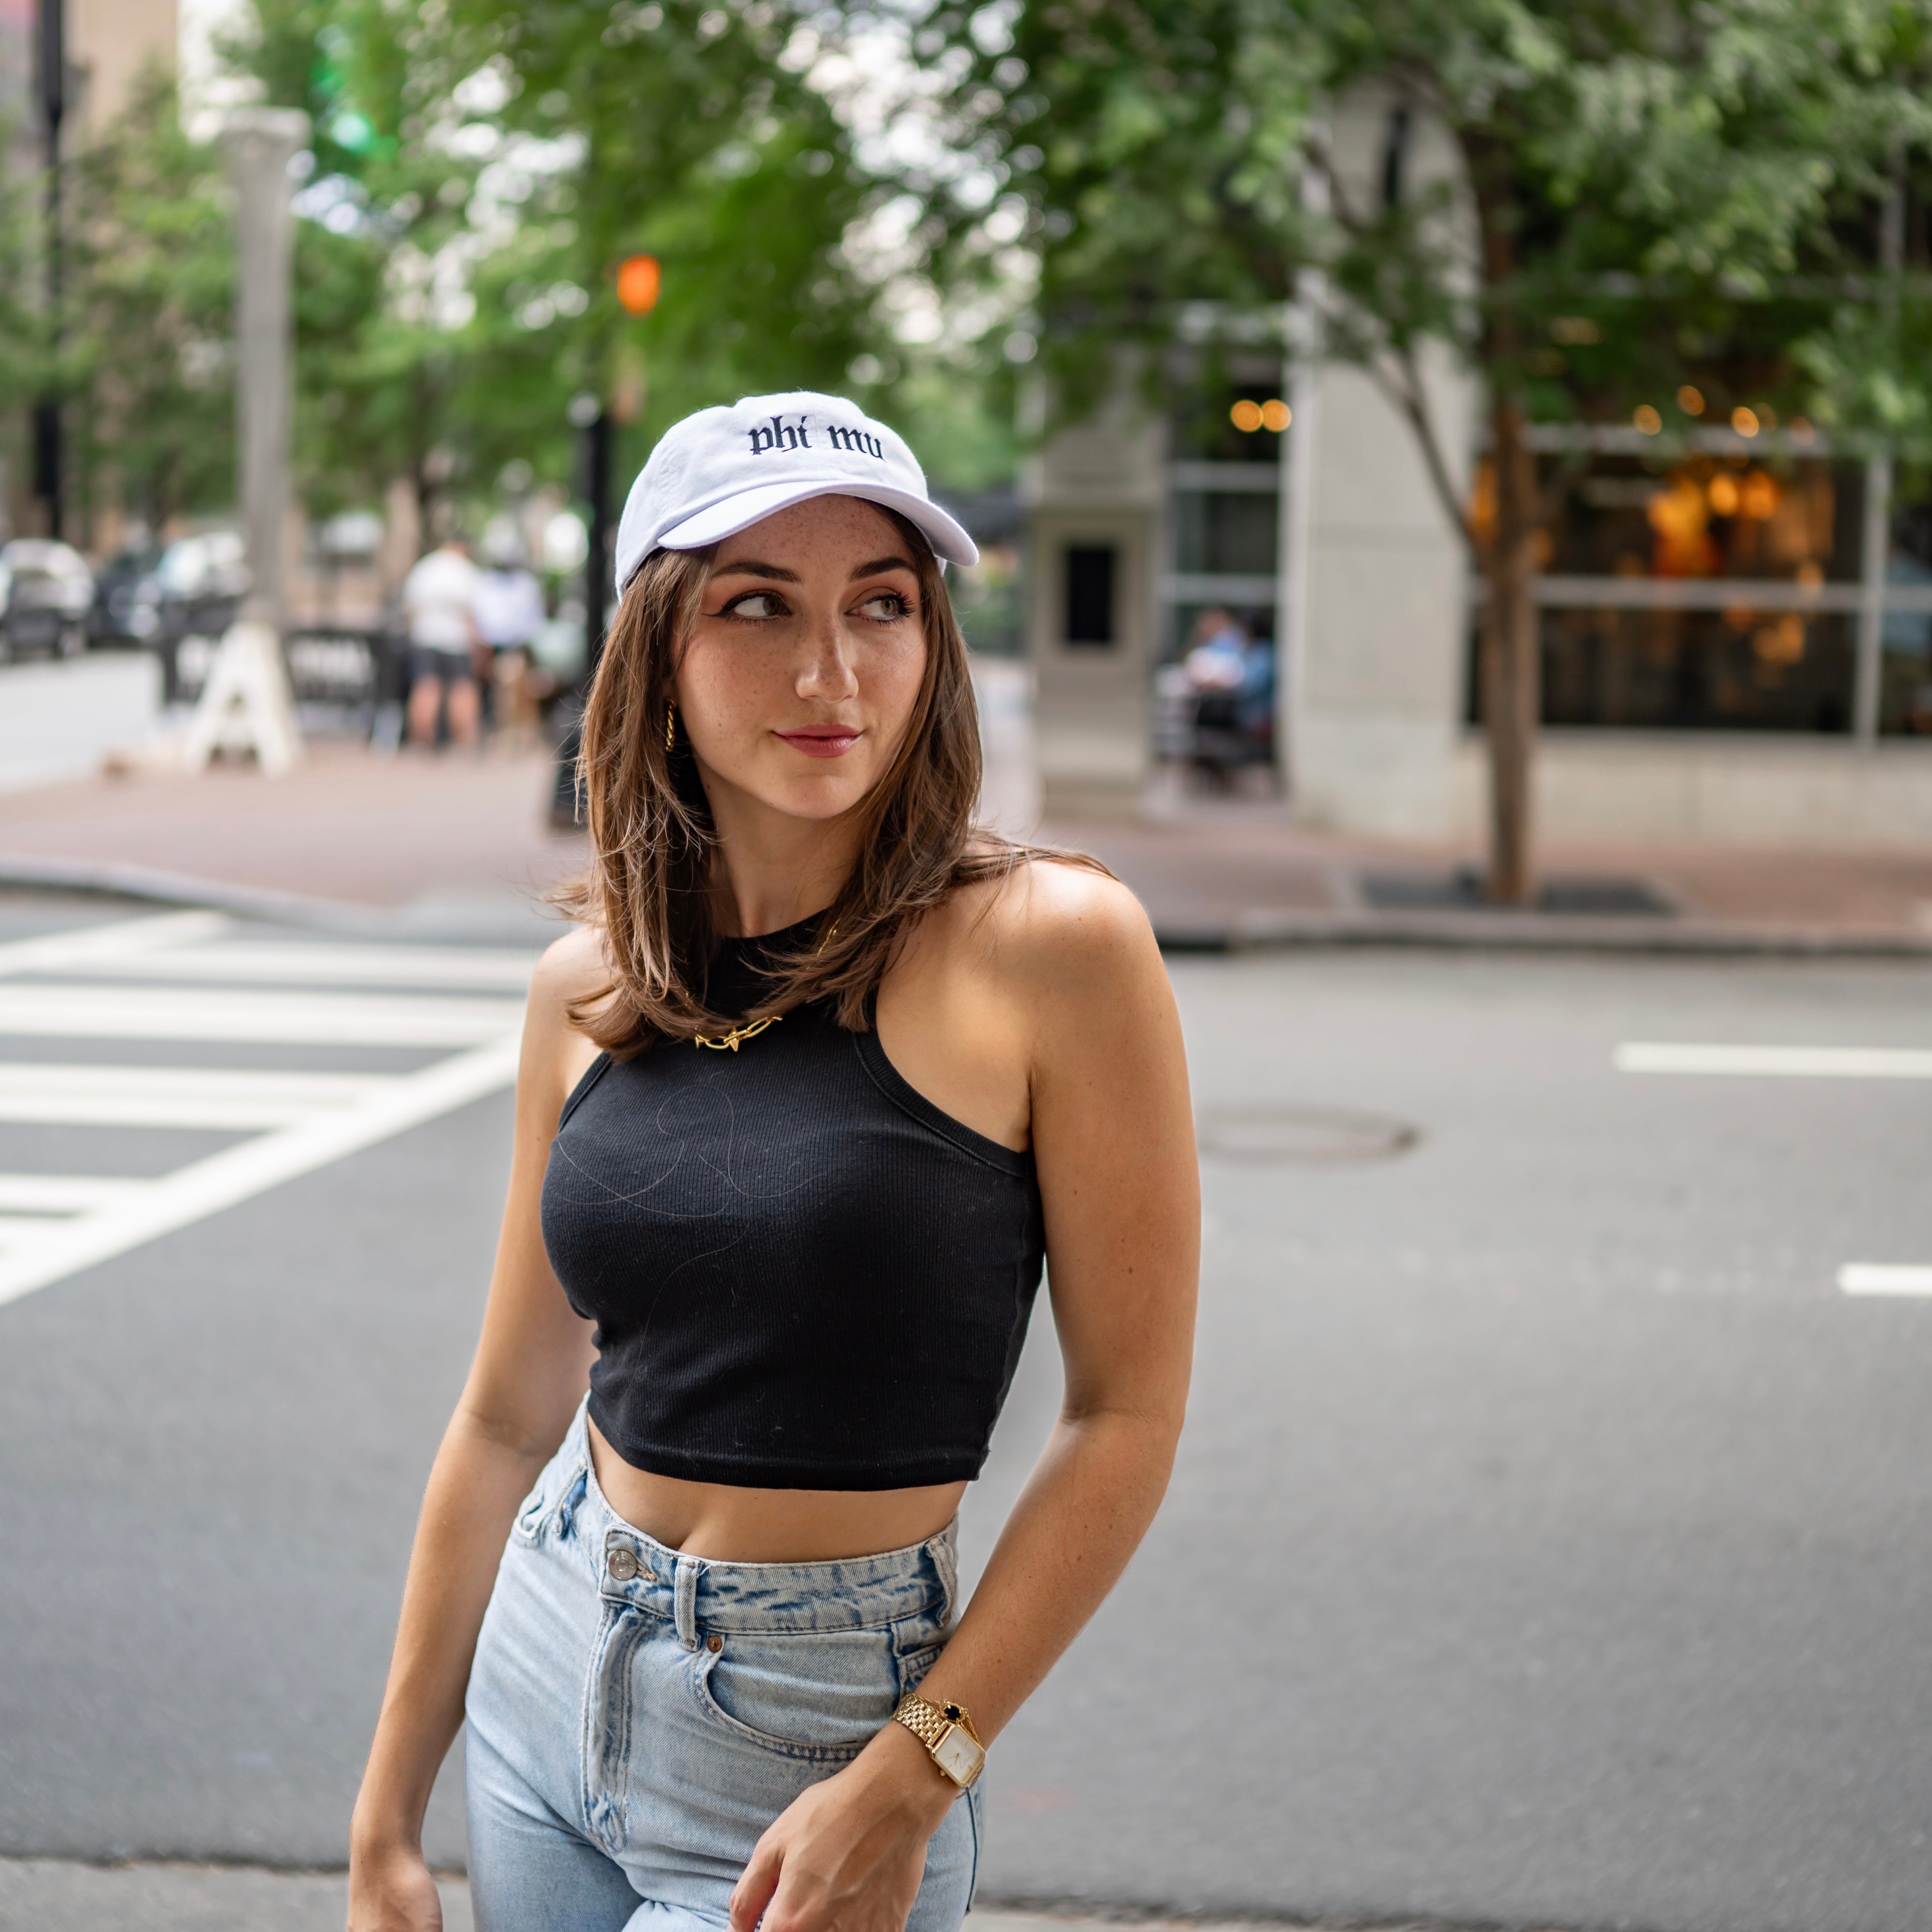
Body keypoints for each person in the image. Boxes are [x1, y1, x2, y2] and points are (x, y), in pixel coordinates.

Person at [347, 391, 1200, 1932]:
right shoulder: (585, 991)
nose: (832, 672)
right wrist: (384, 1816)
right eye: (757, 607)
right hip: (545, 1678)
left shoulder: (1053, 947)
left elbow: (1125, 1415)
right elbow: (502, 1418)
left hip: (816, 1742)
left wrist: (918, 1763)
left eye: (882, 605)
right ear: (655, 653)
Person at [402, 536, 484, 748]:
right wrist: (478, 644)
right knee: (462, 688)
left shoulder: (424, 568)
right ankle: (464, 740)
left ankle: (422, 739)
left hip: (425, 636)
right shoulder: (465, 570)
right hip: (457, 639)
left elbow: (409, 609)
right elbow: (473, 612)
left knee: (425, 686)